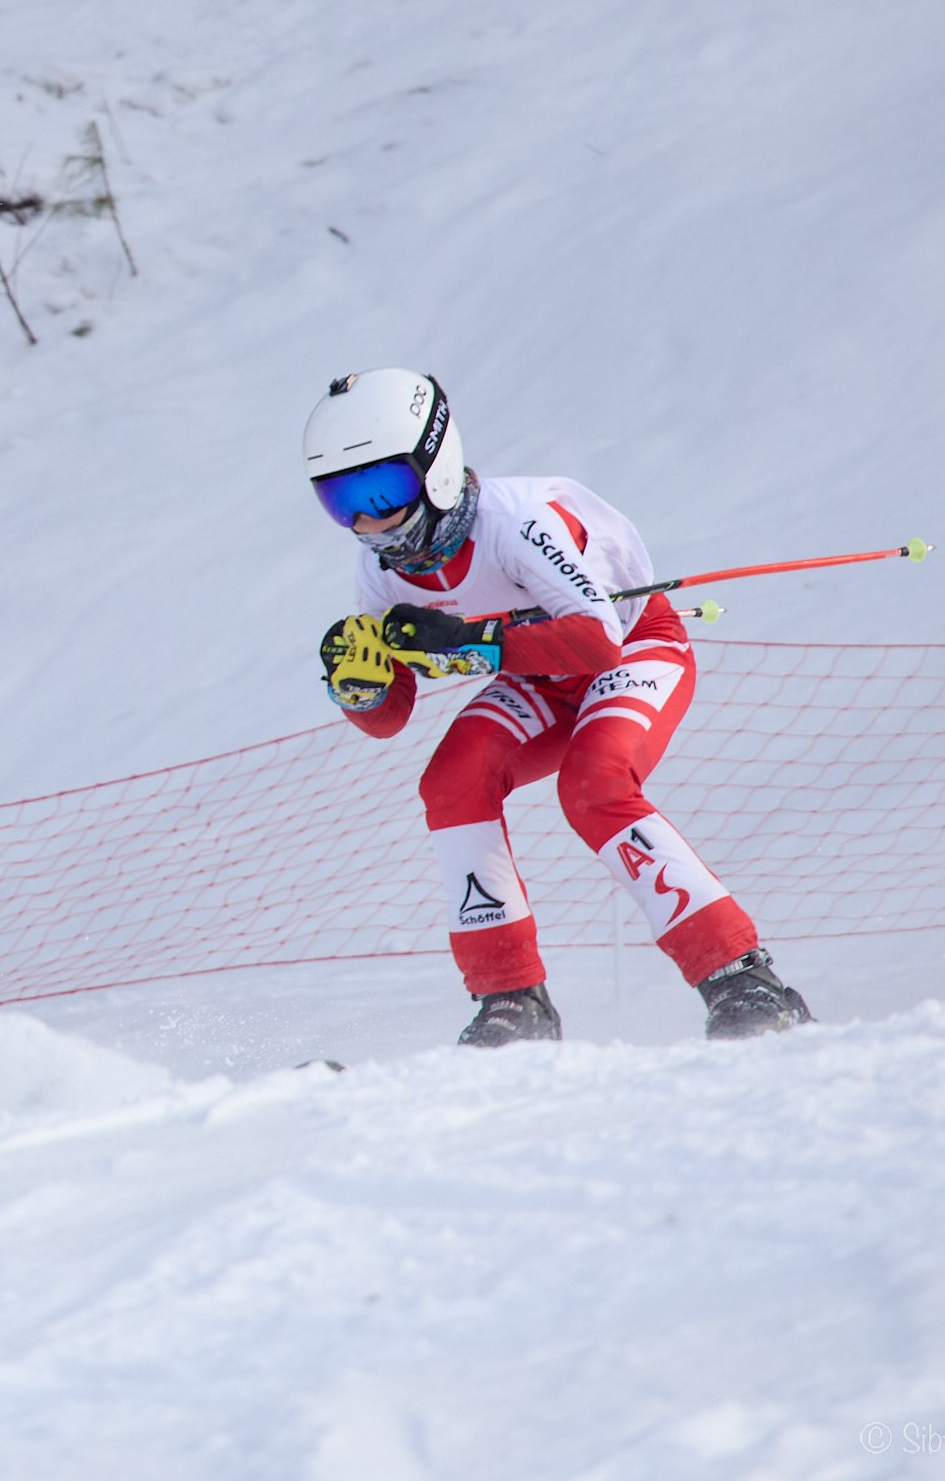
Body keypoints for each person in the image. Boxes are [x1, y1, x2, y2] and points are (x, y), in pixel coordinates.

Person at [303, 368, 811, 1044]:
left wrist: (473, 642)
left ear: (436, 468)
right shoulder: (381, 571)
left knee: (594, 784)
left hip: (634, 646)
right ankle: (511, 1001)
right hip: (539, 676)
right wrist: (358, 688)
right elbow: (389, 715)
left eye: (381, 490)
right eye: (342, 501)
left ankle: (744, 979)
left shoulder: (516, 522)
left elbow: (598, 642)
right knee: (451, 782)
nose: (368, 522)